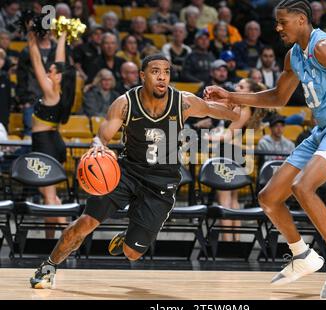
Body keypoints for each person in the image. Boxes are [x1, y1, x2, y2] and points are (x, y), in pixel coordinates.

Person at [204, 0, 326, 300]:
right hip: (323, 131)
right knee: (269, 197)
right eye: (276, 22)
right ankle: (303, 255)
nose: (278, 27)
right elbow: (278, 97)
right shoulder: (294, 55)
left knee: (303, 187)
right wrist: (231, 96)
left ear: (300, 20)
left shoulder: (325, 48)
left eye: (283, 21)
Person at [29, 54, 240, 289]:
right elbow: (102, 137)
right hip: (126, 172)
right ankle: (47, 267)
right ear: (142, 76)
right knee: (85, 223)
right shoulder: (125, 103)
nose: (162, 76)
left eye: (167, 71)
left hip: (162, 182)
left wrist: (234, 108)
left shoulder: (183, 102)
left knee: (132, 254)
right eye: (155, 71)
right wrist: (98, 148)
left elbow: (215, 110)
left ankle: (128, 236)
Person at [207, 79, 267, 241]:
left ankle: (228, 241)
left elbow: (228, 134)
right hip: (237, 152)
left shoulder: (244, 108)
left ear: (249, 93)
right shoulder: (245, 108)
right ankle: (236, 239)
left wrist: (210, 136)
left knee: (225, 200)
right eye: (237, 84)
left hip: (228, 151)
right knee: (233, 199)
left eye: (241, 86)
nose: (236, 87)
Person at [27, 26, 69, 239]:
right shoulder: (59, 90)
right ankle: (50, 242)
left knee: (50, 198)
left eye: (51, 70)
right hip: (53, 143)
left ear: (56, 76)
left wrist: (31, 39)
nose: (48, 70)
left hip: (45, 145)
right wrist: (62, 36)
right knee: (48, 197)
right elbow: (60, 62)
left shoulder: (51, 90)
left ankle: (68, 246)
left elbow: (36, 62)